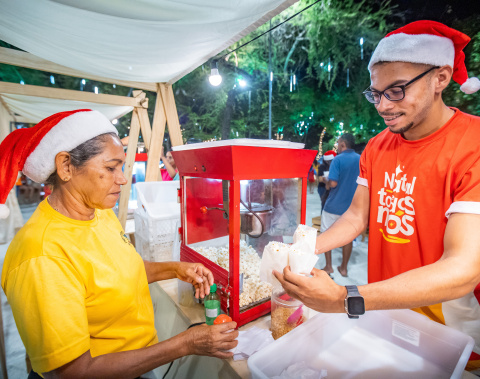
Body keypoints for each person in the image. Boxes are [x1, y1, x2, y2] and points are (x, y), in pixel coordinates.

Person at [273, 20, 480, 372]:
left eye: (397, 90)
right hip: (385, 315)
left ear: (441, 78)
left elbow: (463, 269)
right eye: (376, 93)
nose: (383, 105)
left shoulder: (472, 144)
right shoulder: (378, 146)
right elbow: (357, 217)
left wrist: (345, 298)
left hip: (452, 331)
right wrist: (309, 248)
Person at [0, 109, 238, 379]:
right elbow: (75, 372)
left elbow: (119, 270)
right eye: (110, 168)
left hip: (136, 364)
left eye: (121, 166)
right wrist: (186, 343)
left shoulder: (98, 212)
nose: (123, 178)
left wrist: (176, 269)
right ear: (66, 166)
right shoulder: (42, 255)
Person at [319, 134, 360, 278]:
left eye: (338, 143)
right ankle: (343, 268)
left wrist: (326, 181)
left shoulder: (338, 160)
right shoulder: (360, 159)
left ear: (343, 144)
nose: (337, 146)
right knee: (348, 238)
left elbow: (334, 183)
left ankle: (328, 266)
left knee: (326, 233)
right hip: (352, 207)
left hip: (334, 205)